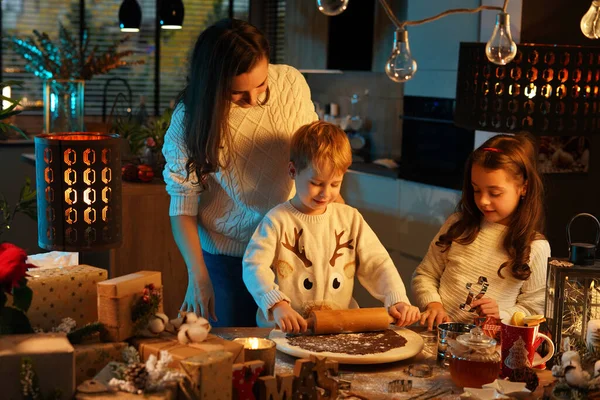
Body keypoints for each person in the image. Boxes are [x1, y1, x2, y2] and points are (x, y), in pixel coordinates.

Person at [162, 18, 318, 327]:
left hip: (292, 250)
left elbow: (314, 158)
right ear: (213, 84)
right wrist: (199, 277)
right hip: (228, 260)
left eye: (261, 85)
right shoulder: (189, 119)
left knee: (294, 355)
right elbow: (182, 206)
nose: (254, 100)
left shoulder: (290, 83)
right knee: (236, 357)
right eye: (237, 93)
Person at [242, 121, 420, 333]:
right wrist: (277, 304)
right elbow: (254, 267)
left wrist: (396, 299)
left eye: (335, 184)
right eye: (316, 183)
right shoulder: (277, 220)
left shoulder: (350, 218)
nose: (325, 193)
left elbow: (378, 263)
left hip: (338, 329)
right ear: (293, 171)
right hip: (287, 330)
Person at [412, 133, 551, 330]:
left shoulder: (536, 247)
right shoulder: (457, 225)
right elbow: (424, 274)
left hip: (490, 349)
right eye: (476, 190)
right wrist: (433, 304)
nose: (483, 200)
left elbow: (534, 308)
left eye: (495, 193)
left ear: (524, 188)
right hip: (438, 338)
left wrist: (501, 315)